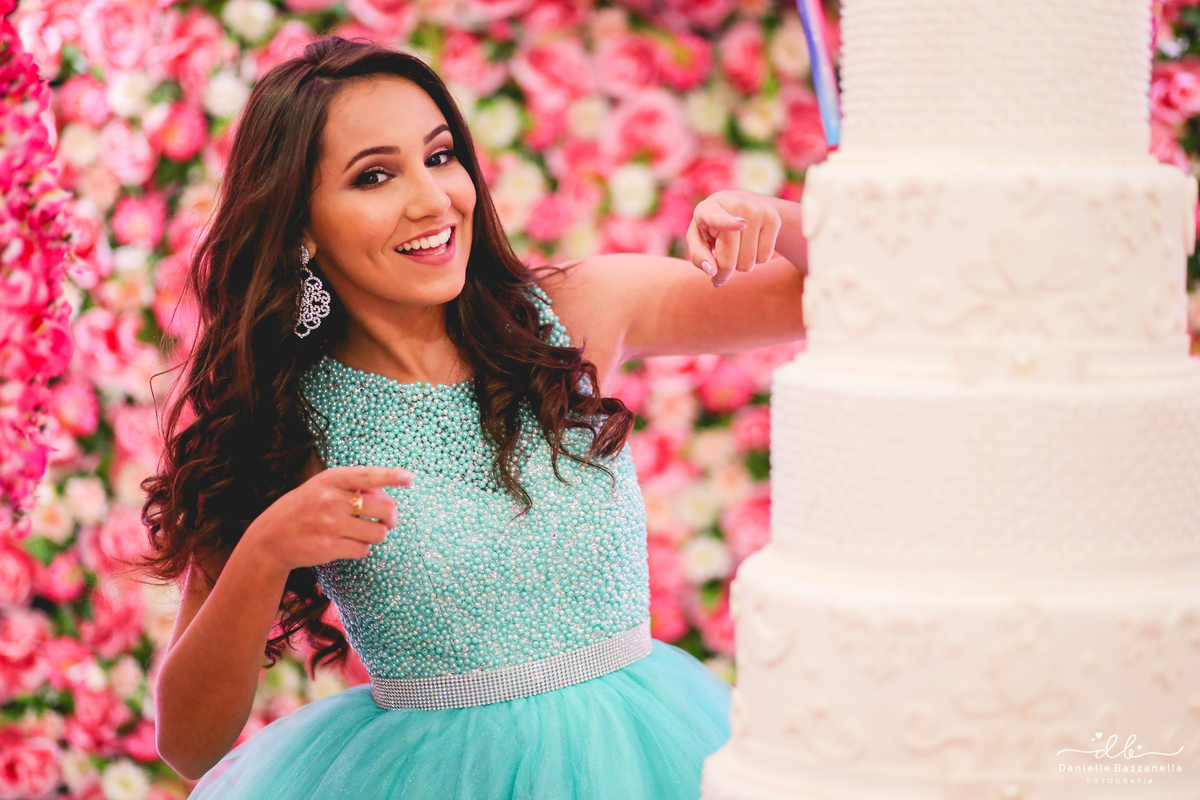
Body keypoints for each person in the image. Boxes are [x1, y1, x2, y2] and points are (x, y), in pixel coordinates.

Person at [138, 35, 806, 800]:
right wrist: (265, 550)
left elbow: (842, 296)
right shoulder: (285, 426)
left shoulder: (573, 315)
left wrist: (775, 219)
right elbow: (189, 745)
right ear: (301, 223)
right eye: (375, 175)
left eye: (440, 156)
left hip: (653, 757)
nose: (432, 200)